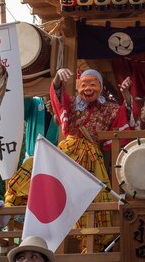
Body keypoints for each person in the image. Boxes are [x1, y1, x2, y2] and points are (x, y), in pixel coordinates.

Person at [48, 68, 129, 243]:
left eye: (93, 84)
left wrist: (127, 95)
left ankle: (94, 240)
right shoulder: (71, 105)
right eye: (83, 84)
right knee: (55, 188)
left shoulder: (111, 108)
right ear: (77, 87)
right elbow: (57, 98)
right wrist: (57, 79)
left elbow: (125, 119)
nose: (88, 88)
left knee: (93, 197)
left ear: (100, 87)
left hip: (93, 156)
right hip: (68, 153)